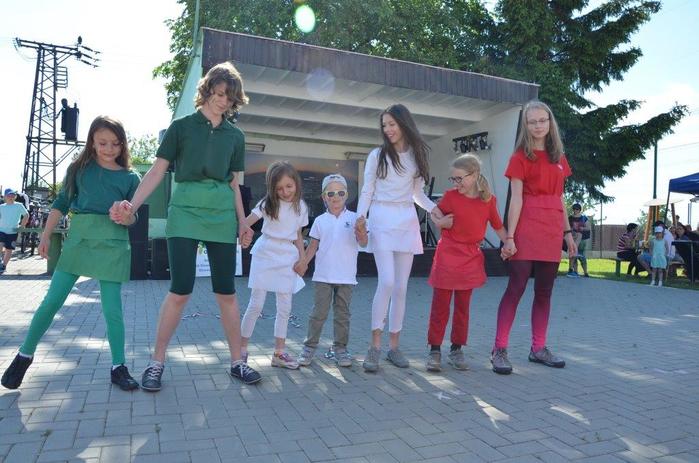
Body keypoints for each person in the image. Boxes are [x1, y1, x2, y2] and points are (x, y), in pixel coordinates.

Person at [117, 62, 261, 391]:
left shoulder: (236, 137)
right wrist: (132, 206)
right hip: (184, 213)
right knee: (180, 290)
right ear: (207, 90)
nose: (223, 101)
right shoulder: (181, 128)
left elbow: (234, 184)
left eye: (229, 97)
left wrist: (243, 222)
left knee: (226, 292)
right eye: (219, 93)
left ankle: (237, 362)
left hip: (221, 217)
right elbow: (157, 171)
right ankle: (156, 363)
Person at [1, 116, 141, 391]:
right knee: (51, 301)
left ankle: (119, 367)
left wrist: (127, 217)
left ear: (123, 144)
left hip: (113, 245)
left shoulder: (131, 177)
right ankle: (24, 355)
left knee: (113, 310)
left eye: (115, 143)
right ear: (92, 142)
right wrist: (45, 235)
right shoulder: (78, 169)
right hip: (79, 242)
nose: (109, 148)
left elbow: (134, 217)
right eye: (102, 142)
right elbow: (61, 203)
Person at [356, 103, 445, 372]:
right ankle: (374, 346)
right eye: (384, 125)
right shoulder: (377, 155)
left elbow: (417, 194)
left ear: (404, 124)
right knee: (387, 282)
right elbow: (367, 190)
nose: (388, 129)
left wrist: (434, 209)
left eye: (392, 124)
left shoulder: (416, 156)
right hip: (381, 219)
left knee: (401, 288)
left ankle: (394, 347)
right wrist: (361, 218)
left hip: (406, 221)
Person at [491, 100, 577, 375]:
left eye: (543, 120)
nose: (538, 126)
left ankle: (538, 348)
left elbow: (560, 198)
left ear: (550, 123)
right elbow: (516, 199)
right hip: (526, 226)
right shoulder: (519, 157)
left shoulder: (559, 158)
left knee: (544, 292)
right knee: (515, 288)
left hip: (552, 229)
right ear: (525, 126)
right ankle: (499, 349)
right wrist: (510, 237)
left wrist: (568, 234)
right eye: (532, 122)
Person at [426, 154, 508, 372]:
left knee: (463, 307)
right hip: (447, 256)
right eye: (453, 179)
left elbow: (498, 226)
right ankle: (435, 350)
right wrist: (440, 222)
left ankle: (456, 349)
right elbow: (434, 213)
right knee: (440, 306)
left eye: (459, 178)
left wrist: (509, 242)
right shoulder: (450, 197)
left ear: (474, 175)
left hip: (470, 258)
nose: (456, 183)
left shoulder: (488, 201)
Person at [240, 161, 308, 369]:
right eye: (279, 188)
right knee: (256, 304)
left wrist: (303, 259)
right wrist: (243, 232)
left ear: (296, 183)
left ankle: (279, 353)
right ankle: (240, 350)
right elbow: (246, 221)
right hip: (265, 253)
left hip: (288, 256)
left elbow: (298, 235)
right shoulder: (267, 203)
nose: (285, 192)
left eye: (289, 186)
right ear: (272, 188)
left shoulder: (301, 207)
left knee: (285, 307)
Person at [297, 174, 368, 368]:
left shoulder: (355, 218)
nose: (335, 197)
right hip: (323, 276)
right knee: (318, 313)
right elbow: (312, 247)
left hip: (346, 277)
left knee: (342, 315)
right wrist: (303, 264)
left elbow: (363, 243)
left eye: (340, 193)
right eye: (330, 193)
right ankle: (309, 347)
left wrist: (361, 231)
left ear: (347, 195)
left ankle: (340, 348)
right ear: (324, 197)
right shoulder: (320, 221)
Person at [0, 188, 29, 274]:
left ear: (15, 197)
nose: (11, 197)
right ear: (5, 197)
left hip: (13, 231)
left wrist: (22, 226)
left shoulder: (19, 205)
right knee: (0, 244)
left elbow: (26, 215)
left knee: (9, 250)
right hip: (1, 230)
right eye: (9, 195)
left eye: (13, 195)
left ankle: (3, 266)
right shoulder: (1, 207)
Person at [567, 203, 590, 278]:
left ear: (580, 210)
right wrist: (572, 231)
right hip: (573, 239)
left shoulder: (584, 218)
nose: (575, 210)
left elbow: (588, 228)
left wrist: (582, 228)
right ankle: (575, 271)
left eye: (577, 209)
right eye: (574, 209)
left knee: (581, 255)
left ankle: (585, 272)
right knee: (574, 255)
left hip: (582, 239)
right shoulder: (570, 218)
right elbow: (567, 228)